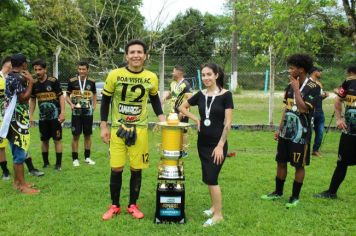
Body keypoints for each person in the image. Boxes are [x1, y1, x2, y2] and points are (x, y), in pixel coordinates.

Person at [100, 39, 165, 220]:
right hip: (117, 129)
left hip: (140, 130)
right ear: (126, 55)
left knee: (137, 169)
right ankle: (114, 206)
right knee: (116, 168)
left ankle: (132, 205)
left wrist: (162, 120)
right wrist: (103, 126)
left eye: (139, 52)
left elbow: (155, 100)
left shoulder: (151, 77)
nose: (136, 55)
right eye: (132, 52)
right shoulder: (114, 75)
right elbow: (105, 101)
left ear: (145, 56)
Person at [261, 54, 320, 208]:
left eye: (292, 67)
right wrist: (280, 128)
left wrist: (296, 88)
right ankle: (278, 192)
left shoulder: (314, 87)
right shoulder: (289, 86)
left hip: (301, 135)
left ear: (301, 70)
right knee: (280, 161)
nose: (289, 70)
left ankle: (294, 197)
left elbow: (302, 108)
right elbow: (286, 109)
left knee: (298, 165)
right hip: (285, 132)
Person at [179, 63, 234, 227]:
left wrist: (220, 145)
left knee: (212, 178)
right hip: (202, 143)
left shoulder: (226, 95)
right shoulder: (200, 95)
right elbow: (181, 107)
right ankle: (213, 207)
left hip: (218, 144)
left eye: (209, 74)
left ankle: (218, 215)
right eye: (203, 75)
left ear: (216, 75)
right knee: (208, 177)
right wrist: (196, 119)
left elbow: (228, 123)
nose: (206, 78)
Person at [314, 65, 356, 199]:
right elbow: (338, 99)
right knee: (342, 163)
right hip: (349, 132)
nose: (348, 76)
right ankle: (331, 192)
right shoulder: (348, 83)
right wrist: (338, 118)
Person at [0, 56, 44, 180]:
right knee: (19, 153)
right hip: (16, 120)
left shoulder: (11, 76)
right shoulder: (16, 78)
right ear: (24, 64)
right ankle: (21, 184)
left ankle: (18, 183)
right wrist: (30, 82)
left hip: (15, 119)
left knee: (19, 150)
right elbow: (23, 98)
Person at [29, 59, 65, 170]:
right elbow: (33, 100)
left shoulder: (53, 81)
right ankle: (46, 163)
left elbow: (61, 96)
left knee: (57, 140)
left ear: (45, 69)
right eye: (35, 70)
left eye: (40, 69)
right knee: (44, 140)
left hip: (55, 118)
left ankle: (58, 164)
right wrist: (30, 115)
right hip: (43, 119)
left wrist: (63, 112)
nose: (37, 72)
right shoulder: (34, 83)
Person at [66, 61, 96, 167]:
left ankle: (87, 157)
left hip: (88, 113)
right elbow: (67, 96)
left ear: (87, 70)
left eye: (83, 69)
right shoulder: (72, 81)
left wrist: (94, 106)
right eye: (80, 69)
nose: (81, 71)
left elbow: (95, 94)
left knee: (88, 135)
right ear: (78, 70)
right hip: (76, 113)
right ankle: (75, 159)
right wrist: (71, 104)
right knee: (76, 136)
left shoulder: (92, 82)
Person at [161, 65, 193, 156]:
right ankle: (174, 147)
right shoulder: (173, 83)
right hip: (172, 112)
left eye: (174, 71)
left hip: (182, 112)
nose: (172, 73)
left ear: (179, 73)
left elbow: (189, 99)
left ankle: (183, 151)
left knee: (183, 131)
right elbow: (171, 94)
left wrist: (182, 112)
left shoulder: (186, 84)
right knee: (173, 130)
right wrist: (165, 97)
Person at [309, 67, 329, 157]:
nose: (320, 72)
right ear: (314, 72)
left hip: (320, 112)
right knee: (308, 132)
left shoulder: (319, 84)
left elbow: (318, 99)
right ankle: (304, 149)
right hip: (311, 112)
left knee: (320, 133)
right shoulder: (307, 83)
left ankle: (315, 150)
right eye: (319, 71)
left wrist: (324, 96)